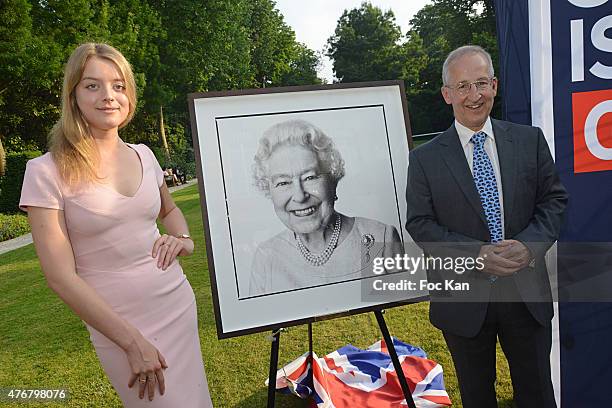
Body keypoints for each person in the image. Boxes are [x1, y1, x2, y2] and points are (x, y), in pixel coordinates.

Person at [19, 43, 213, 407]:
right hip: (120, 327)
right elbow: (60, 278)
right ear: (73, 95)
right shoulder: (45, 171)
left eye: (118, 85)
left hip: (176, 303)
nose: (108, 96)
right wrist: (131, 342)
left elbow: (169, 211)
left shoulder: (144, 154)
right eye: (92, 85)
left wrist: (184, 239)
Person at [405, 45, 568, 408]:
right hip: (463, 299)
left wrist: (529, 245)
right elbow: (420, 223)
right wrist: (476, 255)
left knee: (538, 392)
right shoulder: (424, 159)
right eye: (462, 86)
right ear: (447, 94)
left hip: (526, 294)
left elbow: (554, 202)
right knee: (478, 395)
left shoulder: (529, 141)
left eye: (481, 83)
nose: (474, 95)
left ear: (494, 85)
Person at [249, 119, 401, 296]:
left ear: (333, 181)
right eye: (283, 182)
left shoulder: (381, 237)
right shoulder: (267, 257)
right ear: (269, 191)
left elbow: (401, 310)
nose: (299, 196)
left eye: (310, 177)